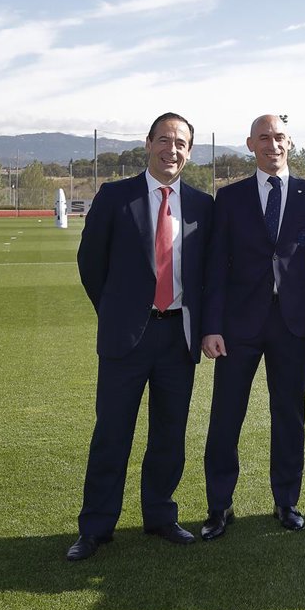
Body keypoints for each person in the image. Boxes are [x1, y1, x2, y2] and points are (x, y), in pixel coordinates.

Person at [68, 113, 214, 561]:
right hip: (126, 337)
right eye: (165, 140)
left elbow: (208, 273)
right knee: (112, 434)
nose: (173, 149)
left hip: (178, 337)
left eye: (181, 143)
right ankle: (96, 527)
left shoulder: (202, 204)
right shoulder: (115, 196)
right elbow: (91, 263)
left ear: (189, 152)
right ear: (148, 143)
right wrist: (117, 311)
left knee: (169, 434)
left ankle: (160, 515)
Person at [199, 114, 305, 539]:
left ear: (289, 142)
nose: (272, 145)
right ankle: (219, 506)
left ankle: (286, 500)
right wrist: (211, 325)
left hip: (292, 324)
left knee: (289, 416)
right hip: (237, 325)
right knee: (226, 417)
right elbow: (215, 267)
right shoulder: (229, 197)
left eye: (279, 137)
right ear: (250, 144)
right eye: (264, 138)